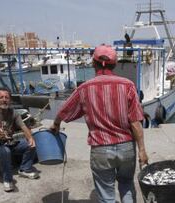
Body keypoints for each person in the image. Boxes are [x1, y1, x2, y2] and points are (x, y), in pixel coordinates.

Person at [50, 44, 149, 203]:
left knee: (106, 194)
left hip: (101, 149)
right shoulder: (127, 85)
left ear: (93, 63)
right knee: (126, 184)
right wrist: (142, 150)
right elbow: (135, 122)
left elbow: (63, 111)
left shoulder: (85, 88)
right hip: (127, 148)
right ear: (115, 64)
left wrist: (55, 125)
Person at [0, 87, 39, 192]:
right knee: (5, 151)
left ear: (10, 100)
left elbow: (23, 127)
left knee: (30, 143)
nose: (4, 100)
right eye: (1, 97)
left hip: (10, 144)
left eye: (7, 97)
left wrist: (30, 138)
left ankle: (25, 169)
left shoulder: (13, 113)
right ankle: (8, 180)